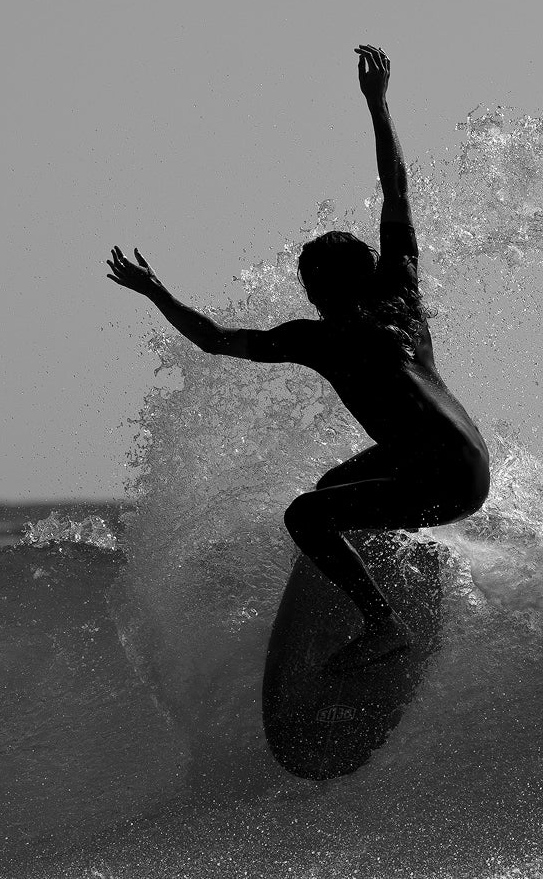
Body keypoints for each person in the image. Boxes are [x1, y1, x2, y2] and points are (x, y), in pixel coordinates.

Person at [107, 44, 490, 672]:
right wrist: (378, 105)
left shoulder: (318, 338)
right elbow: (396, 187)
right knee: (334, 489)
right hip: (468, 462)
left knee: (306, 515)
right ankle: (392, 566)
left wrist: (156, 293)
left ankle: (383, 624)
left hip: (440, 480)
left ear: (316, 291)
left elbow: (214, 339)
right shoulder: (400, 292)